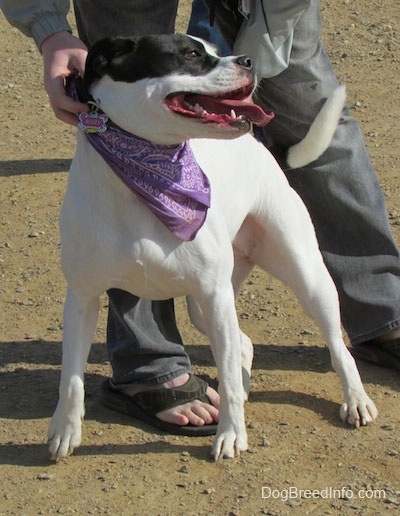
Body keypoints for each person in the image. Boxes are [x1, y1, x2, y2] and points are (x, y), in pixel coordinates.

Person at [1, 0, 399, 436]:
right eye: (193, 58)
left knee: (306, 276)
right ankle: (152, 369)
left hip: (253, 164)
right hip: (130, 99)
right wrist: (50, 28)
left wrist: (243, 63)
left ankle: (352, 359)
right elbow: (82, 296)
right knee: (202, 311)